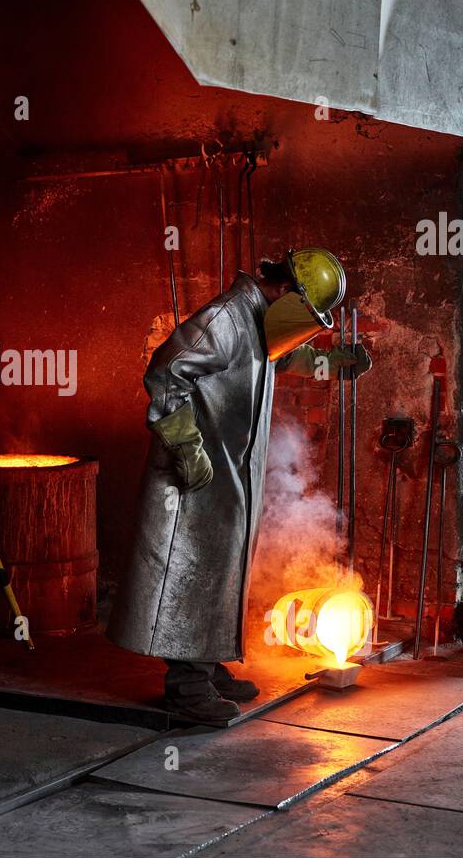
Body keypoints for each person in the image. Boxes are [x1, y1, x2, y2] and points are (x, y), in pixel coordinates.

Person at [108, 248, 371, 726]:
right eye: (306, 313)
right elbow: (167, 372)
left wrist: (333, 364)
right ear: (287, 292)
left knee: (223, 568)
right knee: (198, 571)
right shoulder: (227, 317)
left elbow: (284, 357)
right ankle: (187, 687)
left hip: (230, 470)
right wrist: (186, 446)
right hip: (198, 468)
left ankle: (206, 667)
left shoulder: (259, 322)